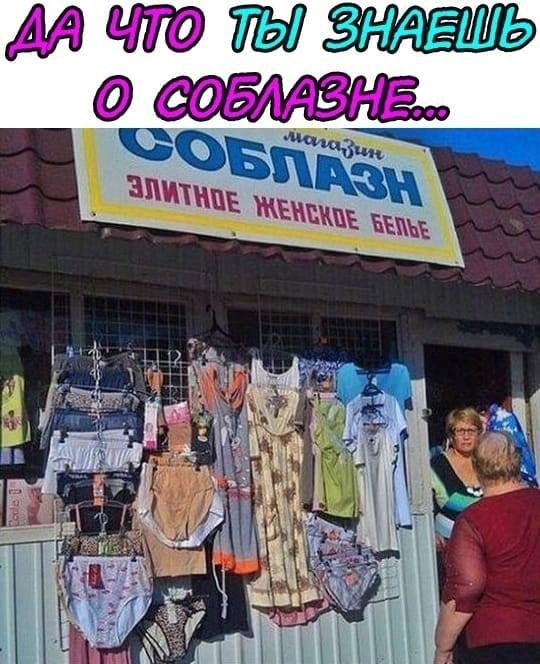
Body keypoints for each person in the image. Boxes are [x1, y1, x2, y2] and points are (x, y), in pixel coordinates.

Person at [433, 431, 540, 664]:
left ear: (477, 466)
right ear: (517, 462)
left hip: (493, 641)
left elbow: (466, 587)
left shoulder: (472, 520)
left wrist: (442, 647)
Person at [431, 408, 483, 553]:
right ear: (451, 435)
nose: (466, 436)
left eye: (471, 430)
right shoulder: (437, 465)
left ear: (479, 433)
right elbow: (425, 506)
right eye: (460, 431)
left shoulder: (487, 462)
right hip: (451, 545)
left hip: (487, 542)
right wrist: (431, 533)